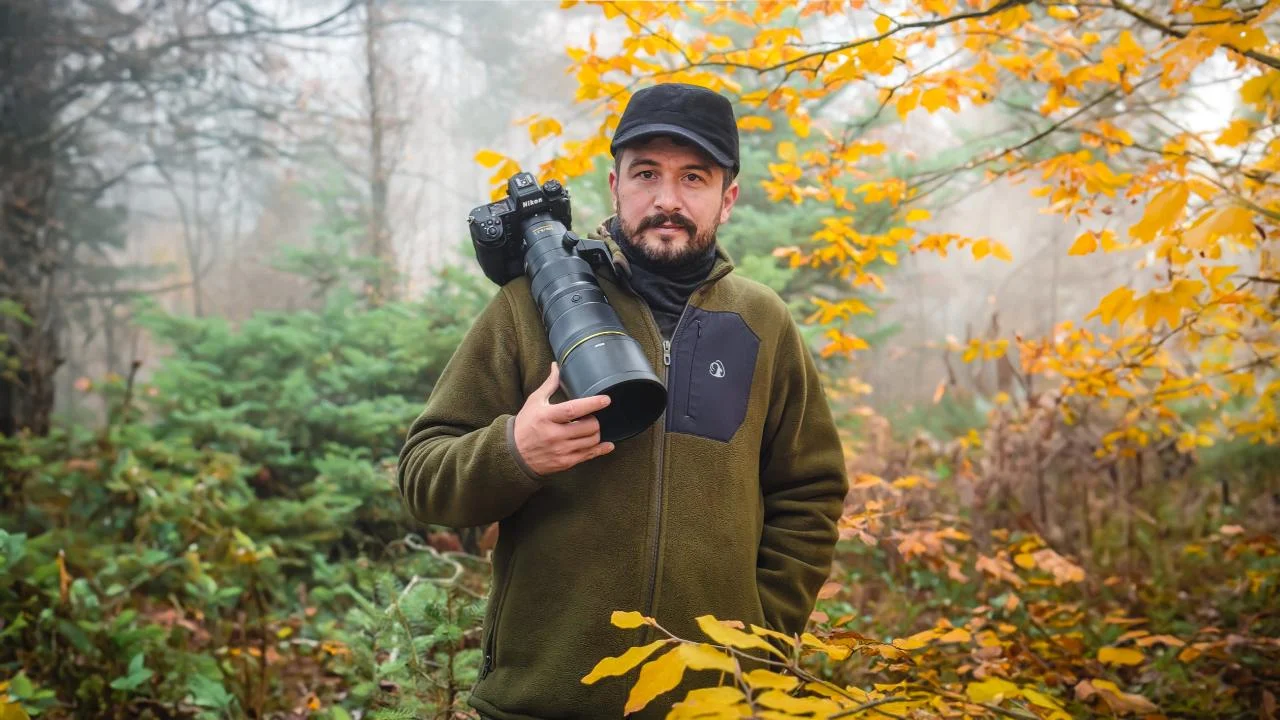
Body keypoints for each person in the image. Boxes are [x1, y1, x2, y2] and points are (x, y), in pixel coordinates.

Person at [396, 82, 849, 719]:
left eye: (694, 177)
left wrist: (761, 640)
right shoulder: (529, 308)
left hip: (716, 704)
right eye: (646, 174)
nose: (667, 199)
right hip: (543, 703)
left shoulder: (762, 322)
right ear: (615, 186)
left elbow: (810, 493)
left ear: (728, 198)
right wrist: (514, 451)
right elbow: (422, 476)